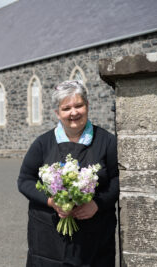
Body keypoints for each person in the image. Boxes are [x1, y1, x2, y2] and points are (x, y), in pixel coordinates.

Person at [18, 80, 119, 266]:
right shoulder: (42, 144)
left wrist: (97, 204)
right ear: (57, 113)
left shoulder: (107, 142)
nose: (73, 112)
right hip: (48, 237)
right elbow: (24, 180)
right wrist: (51, 201)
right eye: (66, 108)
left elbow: (116, 180)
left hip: (95, 237)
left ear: (87, 106)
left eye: (79, 105)